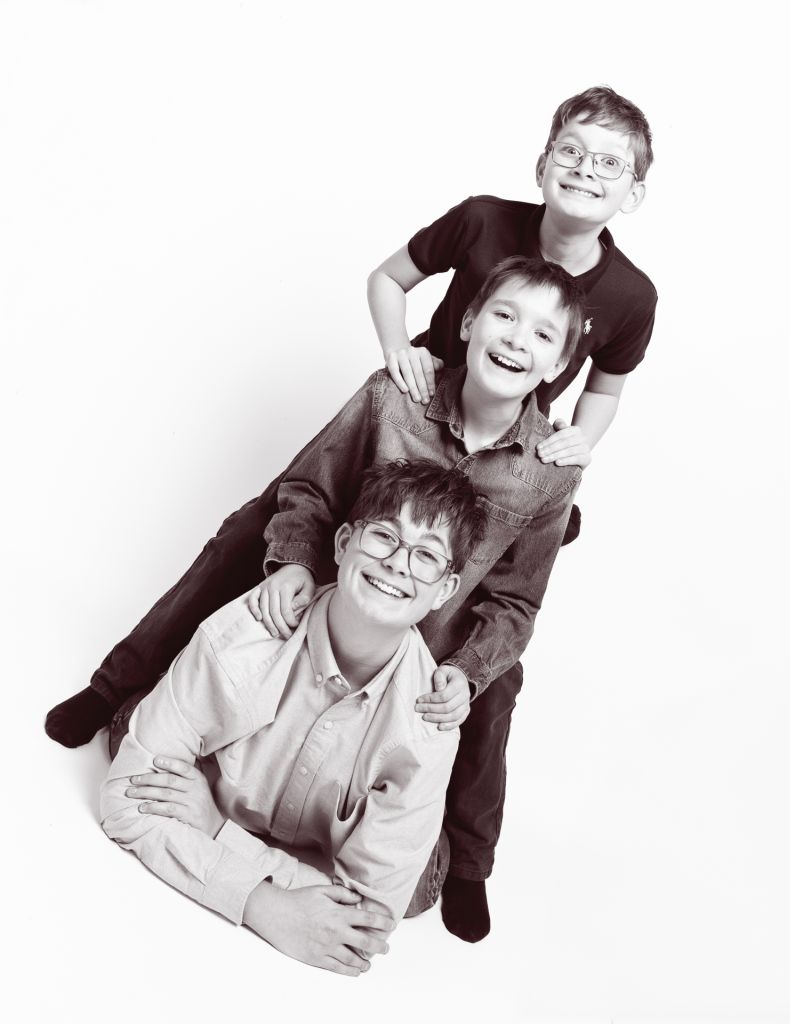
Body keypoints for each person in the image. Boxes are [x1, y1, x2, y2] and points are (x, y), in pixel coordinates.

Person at [52, 255, 585, 943]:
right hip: (331, 603)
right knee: (232, 571)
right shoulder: (395, 395)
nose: (517, 339)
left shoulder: (547, 474)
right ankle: (118, 690)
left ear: (558, 366)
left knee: (489, 698)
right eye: (504, 317)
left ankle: (467, 864)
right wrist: (292, 564)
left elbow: (516, 601)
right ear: (468, 321)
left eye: (543, 336)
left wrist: (470, 670)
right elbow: (309, 489)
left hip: (426, 641)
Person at [100, 460, 487, 977]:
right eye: (383, 538)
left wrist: (219, 832)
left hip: (345, 824)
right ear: (342, 542)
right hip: (237, 759)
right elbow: (125, 806)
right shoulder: (244, 636)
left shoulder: (428, 725)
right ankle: (163, 714)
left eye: (425, 557)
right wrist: (265, 906)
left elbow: (365, 922)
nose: (398, 564)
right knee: (126, 737)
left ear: (444, 590)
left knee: (416, 893)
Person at [368, 84, 656, 474]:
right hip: (418, 403)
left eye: (609, 163)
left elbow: (604, 388)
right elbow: (387, 277)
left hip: (506, 448)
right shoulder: (480, 220)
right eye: (571, 151)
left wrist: (579, 440)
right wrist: (398, 349)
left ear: (632, 195)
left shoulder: (632, 296)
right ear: (542, 167)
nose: (585, 169)